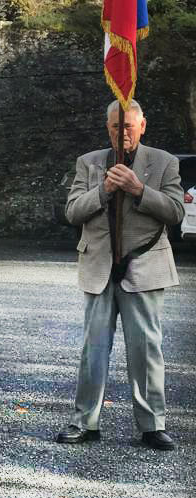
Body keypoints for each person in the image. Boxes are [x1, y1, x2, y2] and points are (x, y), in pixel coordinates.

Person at [56, 99, 185, 450]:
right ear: (107, 128)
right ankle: (86, 421)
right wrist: (105, 190)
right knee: (93, 349)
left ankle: (152, 425)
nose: (122, 132)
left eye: (128, 126)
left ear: (142, 126)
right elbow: (72, 212)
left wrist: (138, 188)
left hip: (144, 267)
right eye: (116, 126)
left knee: (145, 349)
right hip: (99, 267)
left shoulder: (164, 162)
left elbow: (175, 212)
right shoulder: (89, 162)